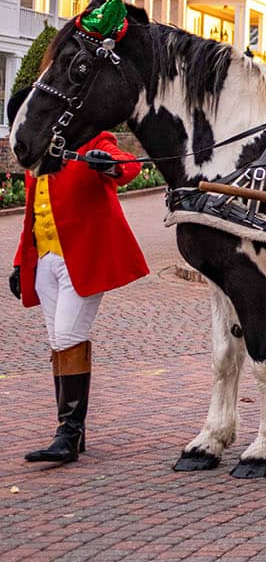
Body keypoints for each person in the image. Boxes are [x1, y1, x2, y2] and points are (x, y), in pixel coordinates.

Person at [8, 87, 146, 465]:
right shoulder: (36, 158)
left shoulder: (90, 140)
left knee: (69, 336)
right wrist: (22, 262)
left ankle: (67, 434)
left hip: (83, 259)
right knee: (58, 341)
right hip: (47, 261)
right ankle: (73, 432)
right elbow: (31, 216)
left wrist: (109, 163)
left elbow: (127, 164)